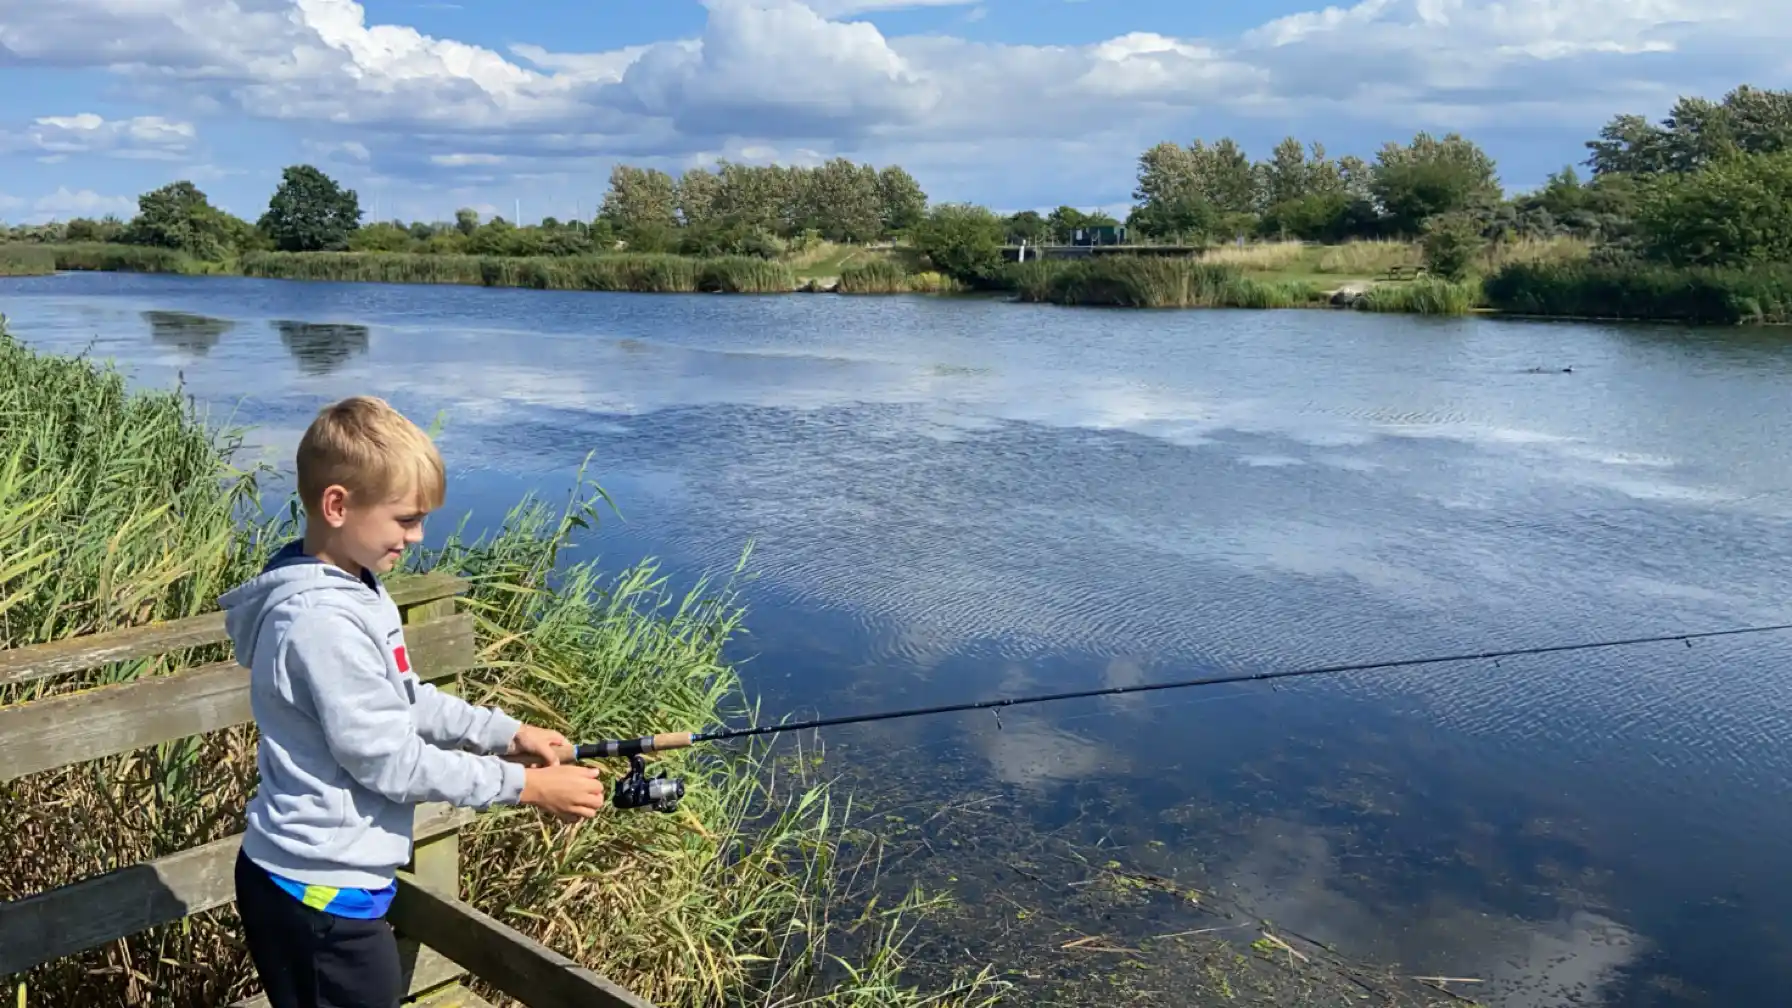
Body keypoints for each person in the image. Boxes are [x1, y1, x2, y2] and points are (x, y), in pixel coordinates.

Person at [219, 396, 607, 1008]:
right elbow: (389, 762)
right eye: (405, 519)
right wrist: (525, 787)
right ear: (338, 505)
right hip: (316, 896)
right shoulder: (321, 622)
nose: (418, 536)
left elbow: (404, 700)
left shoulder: (354, 586)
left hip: (327, 885)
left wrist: (507, 734)